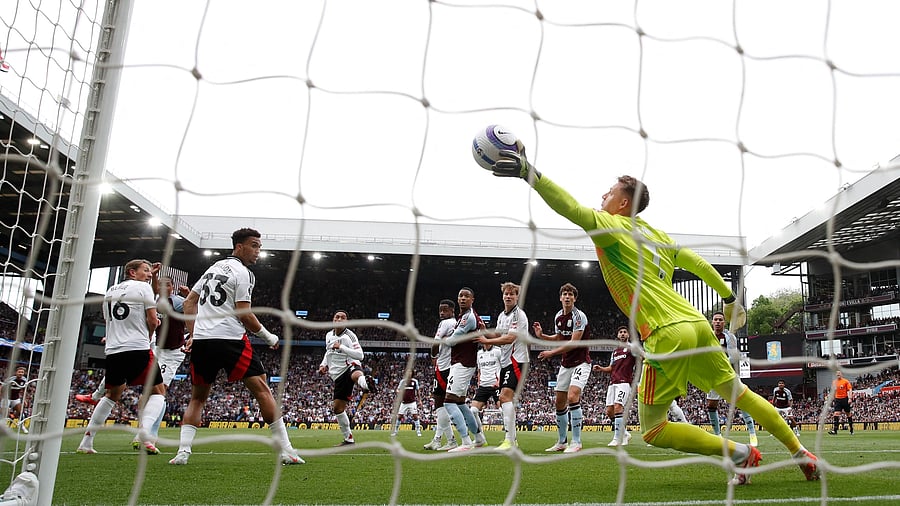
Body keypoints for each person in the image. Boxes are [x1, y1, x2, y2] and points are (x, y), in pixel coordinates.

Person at [487, 150, 819, 484]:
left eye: (610, 191)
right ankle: (799, 451)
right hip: (697, 324)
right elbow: (697, 263)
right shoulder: (654, 234)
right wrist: (729, 298)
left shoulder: (610, 225)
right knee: (741, 395)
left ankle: (741, 455)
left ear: (622, 204)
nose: (603, 195)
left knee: (654, 429)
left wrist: (529, 172)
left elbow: (570, 208)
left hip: (666, 332)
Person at [169, 228, 303, 465]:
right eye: (254, 245)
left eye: (260, 246)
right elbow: (244, 314)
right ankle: (287, 450)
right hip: (230, 339)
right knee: (262, 390)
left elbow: (190, 302)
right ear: (239, 246)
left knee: (197, 398)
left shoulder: (212, 268)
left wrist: (193, 333)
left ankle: (182, 453)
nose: (258, 251)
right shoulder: (243, 273)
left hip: (203, 341)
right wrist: (267, 335)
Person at [76, 259, 167, 455]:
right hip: (137, 347)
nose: (149, 274)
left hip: (113, 350)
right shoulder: (144, 289)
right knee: (159, 392)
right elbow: (152, 320)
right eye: (145, 271)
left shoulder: (110, 291)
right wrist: (150, 333)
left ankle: (86, 442)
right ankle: (144, 431)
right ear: (132, 272)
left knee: (112, 395)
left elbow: (108, 319)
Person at [534, 282, 591, 453]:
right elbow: (560, 338)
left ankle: (577, 441)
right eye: (564, 294)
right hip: (566, 364)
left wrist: (551, 353)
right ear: (560, 298)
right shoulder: (558, 316)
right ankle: (561, 441)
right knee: (559, 402)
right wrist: (542, 336)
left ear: (575, 298)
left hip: (581, 362)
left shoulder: (579, 316)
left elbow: (574, 343)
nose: (567, 296)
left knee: (573, 396)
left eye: (570, 294)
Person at [476, 282, 529, 451]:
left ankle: (509, 440)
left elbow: (509, 339)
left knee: (505, 397)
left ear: (517, 296)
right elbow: (498, 334)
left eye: (512, 294)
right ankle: (512, 439)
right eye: (506, 293)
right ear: (502, 295)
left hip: (517, 360)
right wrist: (485, 331)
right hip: (506, 362)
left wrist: (487, 341)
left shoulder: (518, 315)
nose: (508, 296)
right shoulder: (502, 315)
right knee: (505, 399)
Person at [318, 309, 377, 446]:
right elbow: (328, 352)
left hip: (349, 366)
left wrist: (342, 347)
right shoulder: (328, 335)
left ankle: (367, 384)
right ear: (333, 319)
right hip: (337, 375)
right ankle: (349, 439)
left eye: (342, 317)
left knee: (356, 374)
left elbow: (360, 355)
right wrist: (323, 365)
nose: (339, 319)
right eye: (336, 316)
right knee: (338, 409)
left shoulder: (349, 336)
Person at [443, 287, 488, 453]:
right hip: (464, 363)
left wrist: (444, 339)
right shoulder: (466, 316)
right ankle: (478, 437)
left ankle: (465, 441)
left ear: (472, 299)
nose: (462, 298)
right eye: (460, 295)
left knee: (449, 402)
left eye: (466, 296)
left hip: (462, 363)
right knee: (461, 404)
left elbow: (452, 341)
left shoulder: (468, 317)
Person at [708, 311, 759, 447]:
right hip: (713, 375)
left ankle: (752, 433)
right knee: (711, 405)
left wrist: (721, 362)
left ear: (724, 322)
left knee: (740, 401)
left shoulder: (729, 337)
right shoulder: (708, 336)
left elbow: (733, 356)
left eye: (720, 320)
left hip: (728, 373)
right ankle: (718, 436)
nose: (718, 322)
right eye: (715, 320)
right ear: (712, 322)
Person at [423, 299, 459, 451]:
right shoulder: (456, 323)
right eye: (440, 310)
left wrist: (433, 355)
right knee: (442, 405)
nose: (442, 313)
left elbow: (435, 343)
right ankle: (438, 439)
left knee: (439, 404)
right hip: (449, 366)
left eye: (445, 310)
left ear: (452, 310)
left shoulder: (446, 323)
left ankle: (451, 440)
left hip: (444, 367)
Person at [593, 326, 636, 447]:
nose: (622, 334)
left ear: (628, 335)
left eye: (625, 332)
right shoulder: (615, 352)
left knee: (618, 407)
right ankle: (625, 433)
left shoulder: (632, 347)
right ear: (618, 336)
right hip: (613, 383)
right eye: (620, 332)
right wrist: (601, 368)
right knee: (609, 411)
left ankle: (617, 438)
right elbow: (611, 368)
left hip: (624, 382)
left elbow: (641, 358)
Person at [470, 341, 502, 435]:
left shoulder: (498, 351)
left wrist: (499, 381)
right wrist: (479, 384)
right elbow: (479, 371)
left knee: (504, 410)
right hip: (483, 386)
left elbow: (504, 367)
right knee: (473, 411)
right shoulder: (479, 354)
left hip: (495, 385)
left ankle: (511, 439)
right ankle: (480, 437)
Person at [828, 370, 853, 435]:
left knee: (848, 414)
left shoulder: (845, 381)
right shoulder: (834, 382)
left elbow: (850, 389)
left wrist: (850, 398)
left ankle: (851, 429)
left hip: (845, 399)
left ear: (841, 374)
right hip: (837, 400)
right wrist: (833, 399)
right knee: (836, 414)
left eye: (839, 373)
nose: (838, 374)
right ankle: (835, 430)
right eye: (837, 373)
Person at [4, 366, 28, 432]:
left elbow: (24, 390)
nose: (20, 373)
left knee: (20, 411)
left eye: (22, 372)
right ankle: (5, 426)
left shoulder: (25, 380)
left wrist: (24, 399)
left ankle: (22, 426)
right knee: (5, 412)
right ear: (16, 372)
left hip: (16, 399)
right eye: (19, 372)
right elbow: (2, 387)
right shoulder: (11, 379)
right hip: (7, 398)